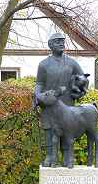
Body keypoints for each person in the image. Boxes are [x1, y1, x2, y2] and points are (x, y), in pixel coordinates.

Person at [34, 32, 86, 167]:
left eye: (62, 41)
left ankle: (67, 157)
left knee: (67, 130)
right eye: (57, 41)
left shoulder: (72, 63)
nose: (61, 43)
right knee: (49, 130)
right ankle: (50, 156)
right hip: (49, 104)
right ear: (50, 45)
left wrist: (80, 91)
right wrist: (38, 96)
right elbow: (39, 83)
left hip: (66, 103)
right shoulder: (43, 64)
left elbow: (83, 78)